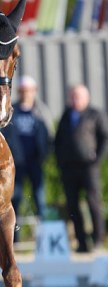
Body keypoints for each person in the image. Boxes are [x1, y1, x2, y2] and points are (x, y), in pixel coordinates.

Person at [55, 84, 108, 253]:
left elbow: (104, 138)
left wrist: (97, 159)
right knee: (73, 206)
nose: (75, 100)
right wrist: (60, 161)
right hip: (69, 168)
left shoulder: (95, 114)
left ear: (87, 98)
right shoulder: (66, 114)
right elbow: (58, 140)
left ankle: (98, 240)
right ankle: (81, 243)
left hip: (89, 167)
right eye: (73, 96)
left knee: (93, 203)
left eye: (78, 96)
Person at [2, 75, 54, 242]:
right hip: (16, 165)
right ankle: (13, 240)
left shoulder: (41, 112)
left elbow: (49, 136)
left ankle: (45, 241)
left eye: (29, 91)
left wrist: (44, 156)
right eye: (23, 91)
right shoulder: (11, 111)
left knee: (40, 201)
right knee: (14, 201)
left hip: (35, 163)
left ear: (34, 92)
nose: (26, 94)